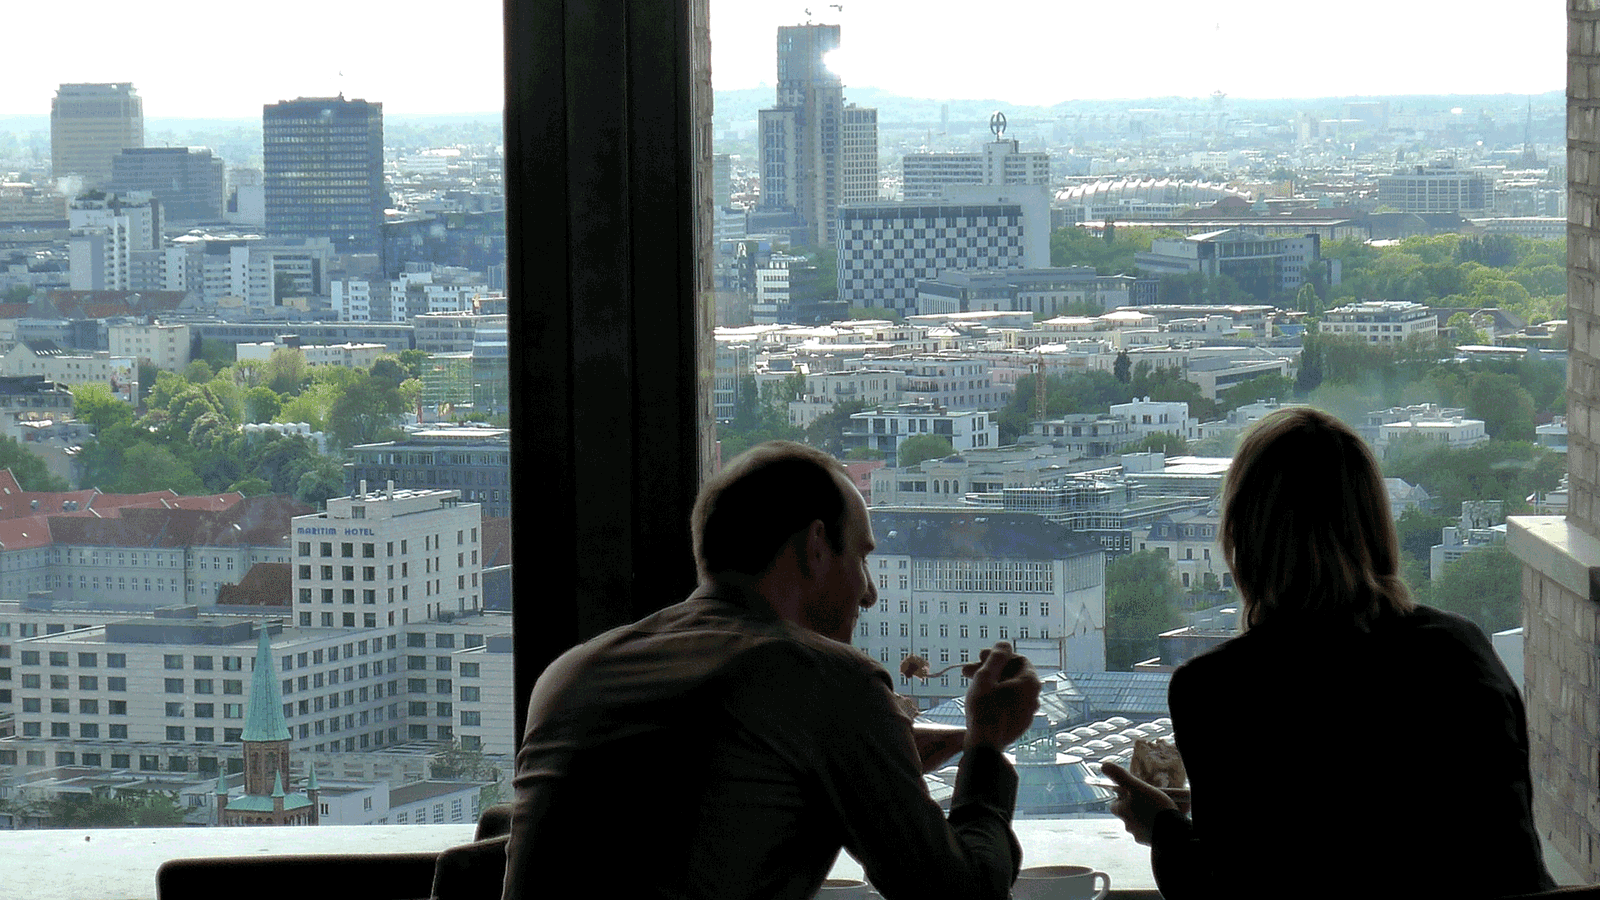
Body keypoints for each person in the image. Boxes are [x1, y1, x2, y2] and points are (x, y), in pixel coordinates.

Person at [501, 440, 1042, 900]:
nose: (870, 592)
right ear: (814, 546)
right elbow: (960, 893)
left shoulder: (571, 673)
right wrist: (987, 746)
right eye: (860, 557)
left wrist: (872, 756)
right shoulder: (827, 680)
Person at [1103, 407, 1555, 900]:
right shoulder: (1461, 649)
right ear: (1375, 524)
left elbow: (1226, 892)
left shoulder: (1218, 689)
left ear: (1241, 536)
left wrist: (1162, 826)